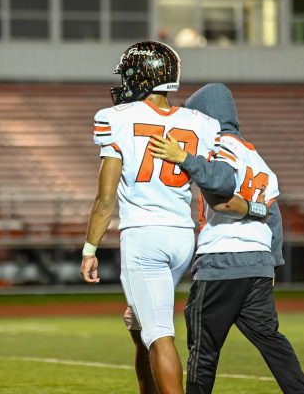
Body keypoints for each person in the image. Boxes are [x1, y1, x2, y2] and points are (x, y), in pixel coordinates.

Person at [79, 43, 260, 394]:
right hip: (182, 236)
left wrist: (90, 248)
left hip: (144, 235)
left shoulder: (115, 118)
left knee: (159, 333)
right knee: (139, 323)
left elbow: (105, 199)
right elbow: (212, 178)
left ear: (142, 77)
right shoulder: (202, 124)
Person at [149, 83, 304, 394]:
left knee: (204, 348)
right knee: (272, 341)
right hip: (259, 264)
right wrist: (272, 264)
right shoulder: (257, 156)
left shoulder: (217, 148)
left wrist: (184, 157)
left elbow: (220, 192)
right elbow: (273, 215)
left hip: (222, 260)